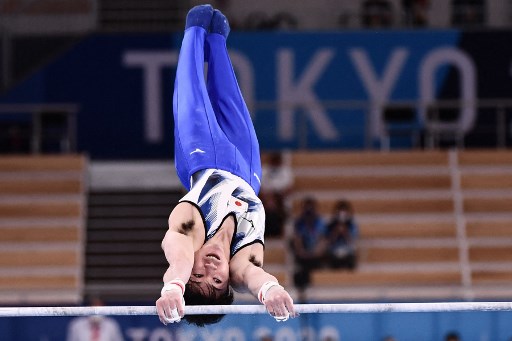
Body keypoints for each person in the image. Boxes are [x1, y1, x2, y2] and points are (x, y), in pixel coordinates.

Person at [155, 4, 296, 327]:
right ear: (228, 281)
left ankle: (193, 31)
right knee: (230, 98)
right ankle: (217, 41)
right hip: (248, 171)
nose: (211, 269)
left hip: (203, 157)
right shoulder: (242, 259)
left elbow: (176, 255)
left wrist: (174, 287)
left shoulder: (191, 227)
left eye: (197, 275)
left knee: (192, 94)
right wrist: (270, 289)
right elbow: (253, 275)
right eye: (217, 281)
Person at [290, 197, 329, 289]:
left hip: (317, 254)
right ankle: (301, 286)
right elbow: (297, 239)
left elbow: (323, 240)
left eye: (311, 208)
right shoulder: (299, 222)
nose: (309, 211)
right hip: (303, 255)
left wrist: (315, 253)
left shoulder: (320, 222)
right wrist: (302, 252)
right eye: (306, 208)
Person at [260, 152, 293, 237]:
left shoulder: (286, 171)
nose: (275, 162)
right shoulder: (264, 170)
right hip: (266, 200)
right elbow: (259, 188)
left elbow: (289, 189)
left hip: (280, 200)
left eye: (277, 160)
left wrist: (276, 197)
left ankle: (279, 232)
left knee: (279, 209)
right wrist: (268, 198)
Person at [325, 199, 358, 270]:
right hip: (334, 252)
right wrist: (336, 231)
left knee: (352, 258)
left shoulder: (352, 225)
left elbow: (352, 242)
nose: (342, 214)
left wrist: (345, 232)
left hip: (348, 252)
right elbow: (328, 242)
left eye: (344, 211)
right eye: (339, 211)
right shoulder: (330, 225)